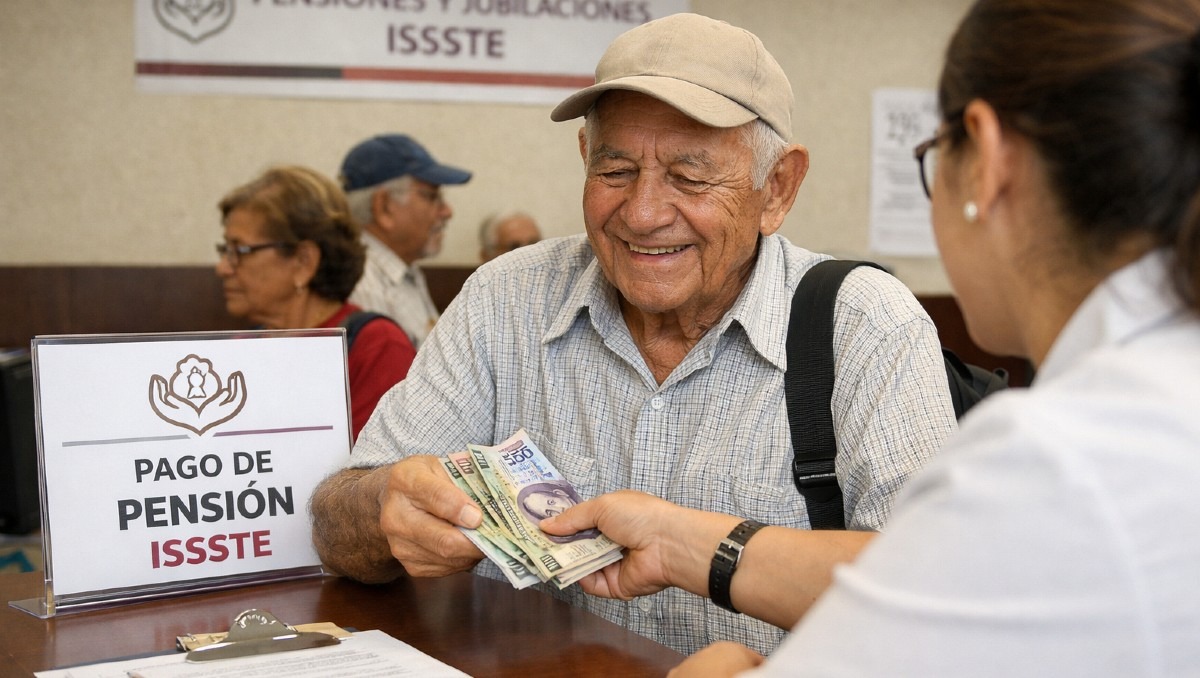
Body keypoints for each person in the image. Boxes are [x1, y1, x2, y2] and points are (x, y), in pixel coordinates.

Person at [541, 0, 1200, 674]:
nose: (647, 213)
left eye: (932, 155)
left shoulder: (1051, 462)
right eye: (617, 170)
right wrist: (682, 542)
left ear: (988, 160)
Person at [310, 13, 956, 656]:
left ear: (777, 188)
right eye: (616, 171)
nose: (643, 214)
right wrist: (382, 509)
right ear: (586, 157)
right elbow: (335, 521)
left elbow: (947, 597)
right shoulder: (505, 299)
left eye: (690, 176)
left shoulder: (865, 326)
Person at [217, 165, 416, 442]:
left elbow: (372, 474)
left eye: (239, 251)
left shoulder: (376, 345)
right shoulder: (239, 347)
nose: (223, 268)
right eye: (225, 250)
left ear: (303, 261)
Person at [340, 134, 472, 347]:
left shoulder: (403, 271)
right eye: (431, 196)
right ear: (383, 207)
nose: (447, 212)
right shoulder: (363, 284)